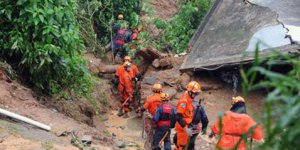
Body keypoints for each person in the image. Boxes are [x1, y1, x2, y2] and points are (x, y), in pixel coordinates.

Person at [175, 81, 202, 150]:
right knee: (180, 146)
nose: (196, 95)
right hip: (182, 127)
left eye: (197, 93)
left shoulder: (189, 98)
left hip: (187, 124)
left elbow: (189, 112)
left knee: (184, 144)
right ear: (190, 92)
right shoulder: (184, 101)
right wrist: (185, 128)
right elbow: (178, 116)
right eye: (195, 93)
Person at [136, 83, 163, 149]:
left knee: (150, 131)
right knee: (159, 131)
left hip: (152, 117)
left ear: (153, 90)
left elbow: (144, 107)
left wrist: (139, 110)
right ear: (160, 90)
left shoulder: (150, 98)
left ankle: (150, 143)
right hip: (161, 118)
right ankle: (158, 144)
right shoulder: (163, 98)